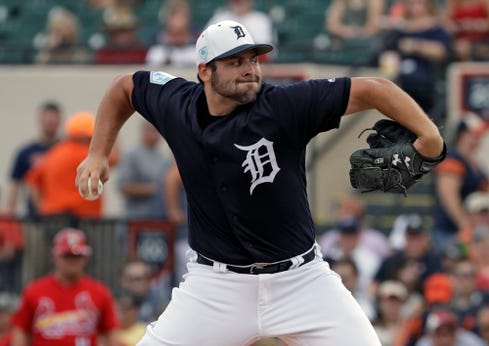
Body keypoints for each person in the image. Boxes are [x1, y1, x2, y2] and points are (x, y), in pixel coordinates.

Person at [75, 19, 445, 345]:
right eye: (235, 62)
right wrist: (97, 153)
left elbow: (374, 88)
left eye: (253, 59)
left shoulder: (283, 105)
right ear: (205, 71)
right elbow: (125, 87)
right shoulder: (176, 103)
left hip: (301, 281)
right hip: (215, 288)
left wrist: (429, 136)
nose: (250, 69)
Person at [10, 227, 119, 345]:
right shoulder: (34, 291)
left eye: (77, 256)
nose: (72, 261)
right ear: (54, 256)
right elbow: (21, 330)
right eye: (66, 256)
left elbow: (111, 332)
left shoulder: (99, 291)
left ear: (85, 257)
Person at [25, 111, 111, 219]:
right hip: (87, 217)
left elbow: (32, 182)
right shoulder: (90, 156)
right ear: (87, 137)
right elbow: (115, 158)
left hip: (52, 216)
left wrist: (42, 209)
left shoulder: (52, 154)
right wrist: (111, 128)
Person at [432, 115, 489, 252]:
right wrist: (465, 226)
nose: (477, 139)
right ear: (462, 135)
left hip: (472, 229)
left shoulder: (473, 161)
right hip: (451, 231)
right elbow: (449, 197)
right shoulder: (452, 159)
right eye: (474, 135)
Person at [3, 101, 62, 217]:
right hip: (34, 217)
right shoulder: (25, 152)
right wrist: (9, 213)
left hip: (61, 215)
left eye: (53, 119)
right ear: (40, 120)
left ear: (59, 121)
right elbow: (14, 183)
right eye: (47, 118)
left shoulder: (66, 151)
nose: (49, 122)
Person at [116, 121, 170, 220]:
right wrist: (150, 189)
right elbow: (123, 186)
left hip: (158, 219)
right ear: (144, 132)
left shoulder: (161, 157)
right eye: (154, 131)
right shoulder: (132, 155)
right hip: (136, 219)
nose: (158, 135)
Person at [206, 0, 276, 62]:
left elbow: (265, 51)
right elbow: (206, 43)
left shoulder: (261, 19)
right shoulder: (219, 18)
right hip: (223, 61)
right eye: (236, 1)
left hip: (255, 63)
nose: (239, 3)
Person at [145, 0, 198, 68]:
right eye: (175, 15)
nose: (179, 20)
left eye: (183, 15)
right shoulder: (156, 50)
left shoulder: (196, 49)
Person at [119, 258, 170, 323]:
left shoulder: (160, 303)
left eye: (138, 279)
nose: (135, 283)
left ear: (148, 280)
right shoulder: (116, 303)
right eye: (130, 279)